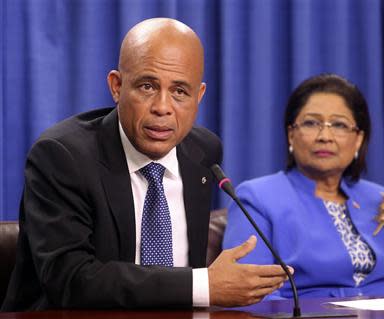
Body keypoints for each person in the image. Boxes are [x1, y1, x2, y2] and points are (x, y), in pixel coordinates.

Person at [2, 18, 289, 311]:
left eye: (180, 91)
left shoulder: (202, 151)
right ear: (117, 86)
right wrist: (203, 285)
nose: (162, 107)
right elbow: (70, 279)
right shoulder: (62, 156)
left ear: (199, 96)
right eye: (148, 86)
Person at [223, 73, 384, 299]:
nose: (325, 136)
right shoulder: (258, 198)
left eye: (340, 125)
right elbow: (249, 294)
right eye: (311, 123)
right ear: (291, 135)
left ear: (359, 139)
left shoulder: (382, 199)